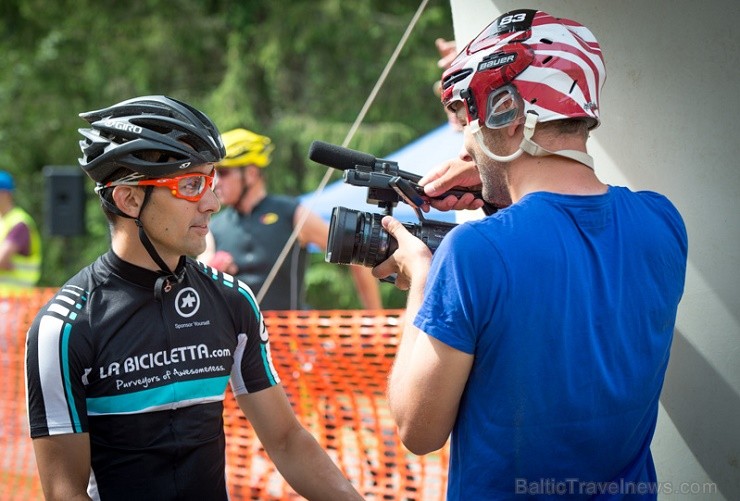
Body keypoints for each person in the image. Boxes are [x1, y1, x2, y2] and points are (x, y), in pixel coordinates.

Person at [372, 9, 688, 499]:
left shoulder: (474, 252)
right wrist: (501, 193)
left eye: (471, 117)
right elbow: (570, 260)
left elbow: (418, 429)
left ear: (506, 110)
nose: (468, 138)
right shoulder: (663, 222)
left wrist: (423, 276)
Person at [25, 95, 363, 501]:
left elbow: (287, 440)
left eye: (212, 181)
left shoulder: (232, 300)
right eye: (191, 185)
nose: (213, 203)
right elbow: (66, 492)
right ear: (129, 198)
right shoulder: (63, 328)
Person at [199, 127, 381, 311]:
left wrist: (376, 319)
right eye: (214, 175)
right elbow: (197, 279)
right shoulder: (215, 226)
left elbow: (354, 253)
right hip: (238, 338)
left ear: (252, 173)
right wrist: (211, 271)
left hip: (290, 336)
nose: (216, 183)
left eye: (224, 173)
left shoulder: (292, 213)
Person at [0, 170, 41, 292]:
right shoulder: (3, 221)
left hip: (18, 301)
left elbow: (1, 259)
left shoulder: (19, 223)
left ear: (5, 194)